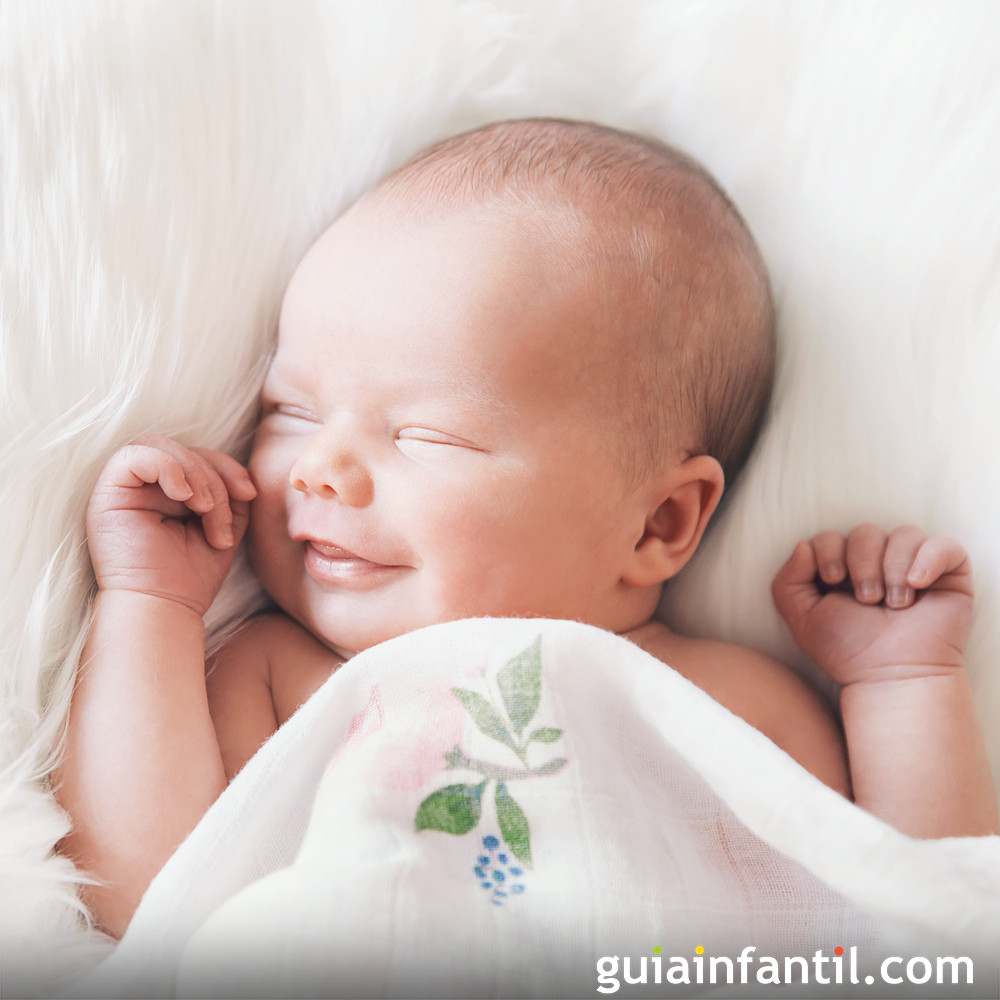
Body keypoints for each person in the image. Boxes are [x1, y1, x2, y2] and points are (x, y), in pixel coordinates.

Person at [55, 118, 999, 940]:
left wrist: (902, 683)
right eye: (291, 410)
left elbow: (923, 911)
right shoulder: (287, 675)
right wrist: (148, 603)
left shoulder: (726, 701)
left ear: (659, 523)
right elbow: (148, 892)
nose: (316, 467)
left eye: (423, 433)